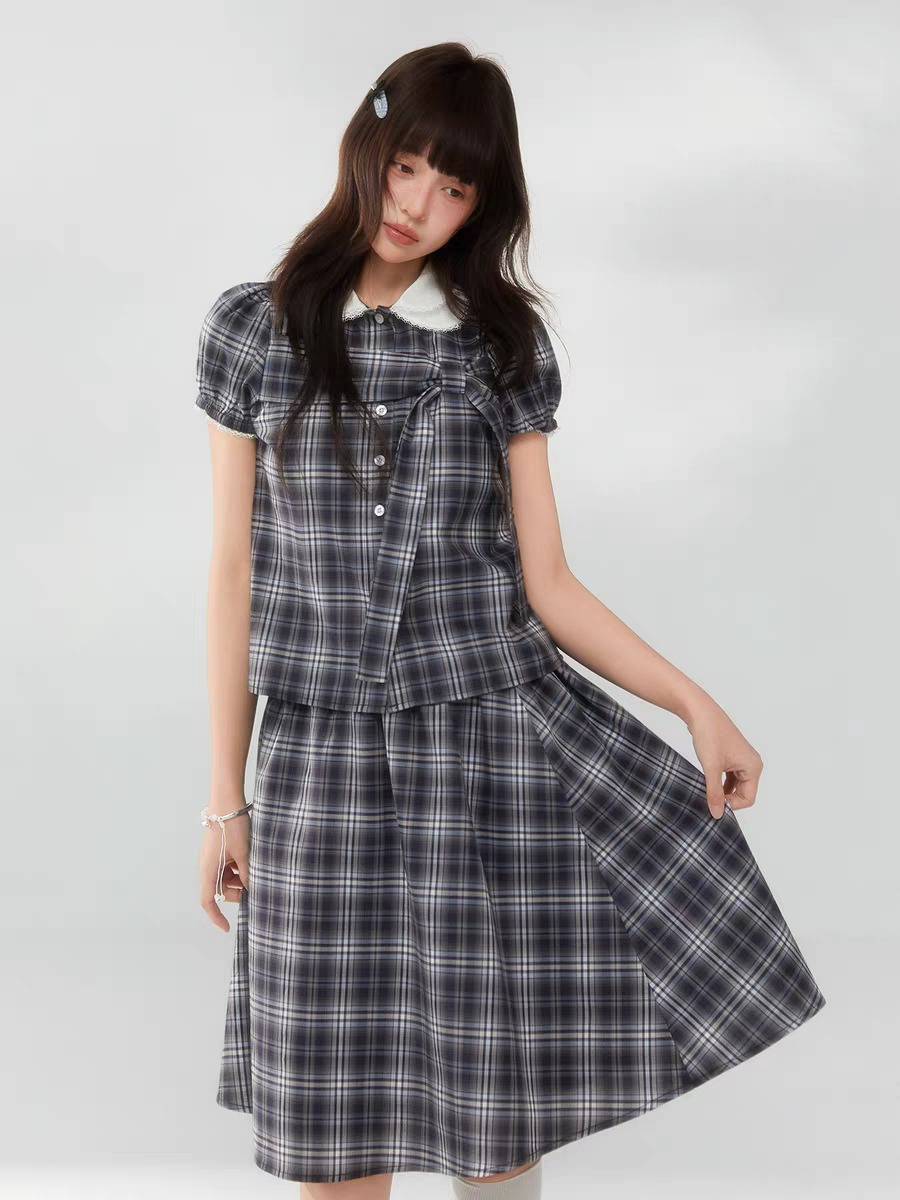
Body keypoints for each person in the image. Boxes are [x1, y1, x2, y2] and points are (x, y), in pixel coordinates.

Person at [194, 42, 826, 1200]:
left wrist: (696, 705)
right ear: (366, 144)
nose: (417, 205)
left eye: (454, 188)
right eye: (407, 167)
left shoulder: (500, 346)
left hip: (485, 755)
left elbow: (550, 583)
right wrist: (224, 798)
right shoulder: (255, 329)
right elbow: (233, 574)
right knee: (333, 1130)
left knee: (494, 1117)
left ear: (482, 206)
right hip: (321, 766)